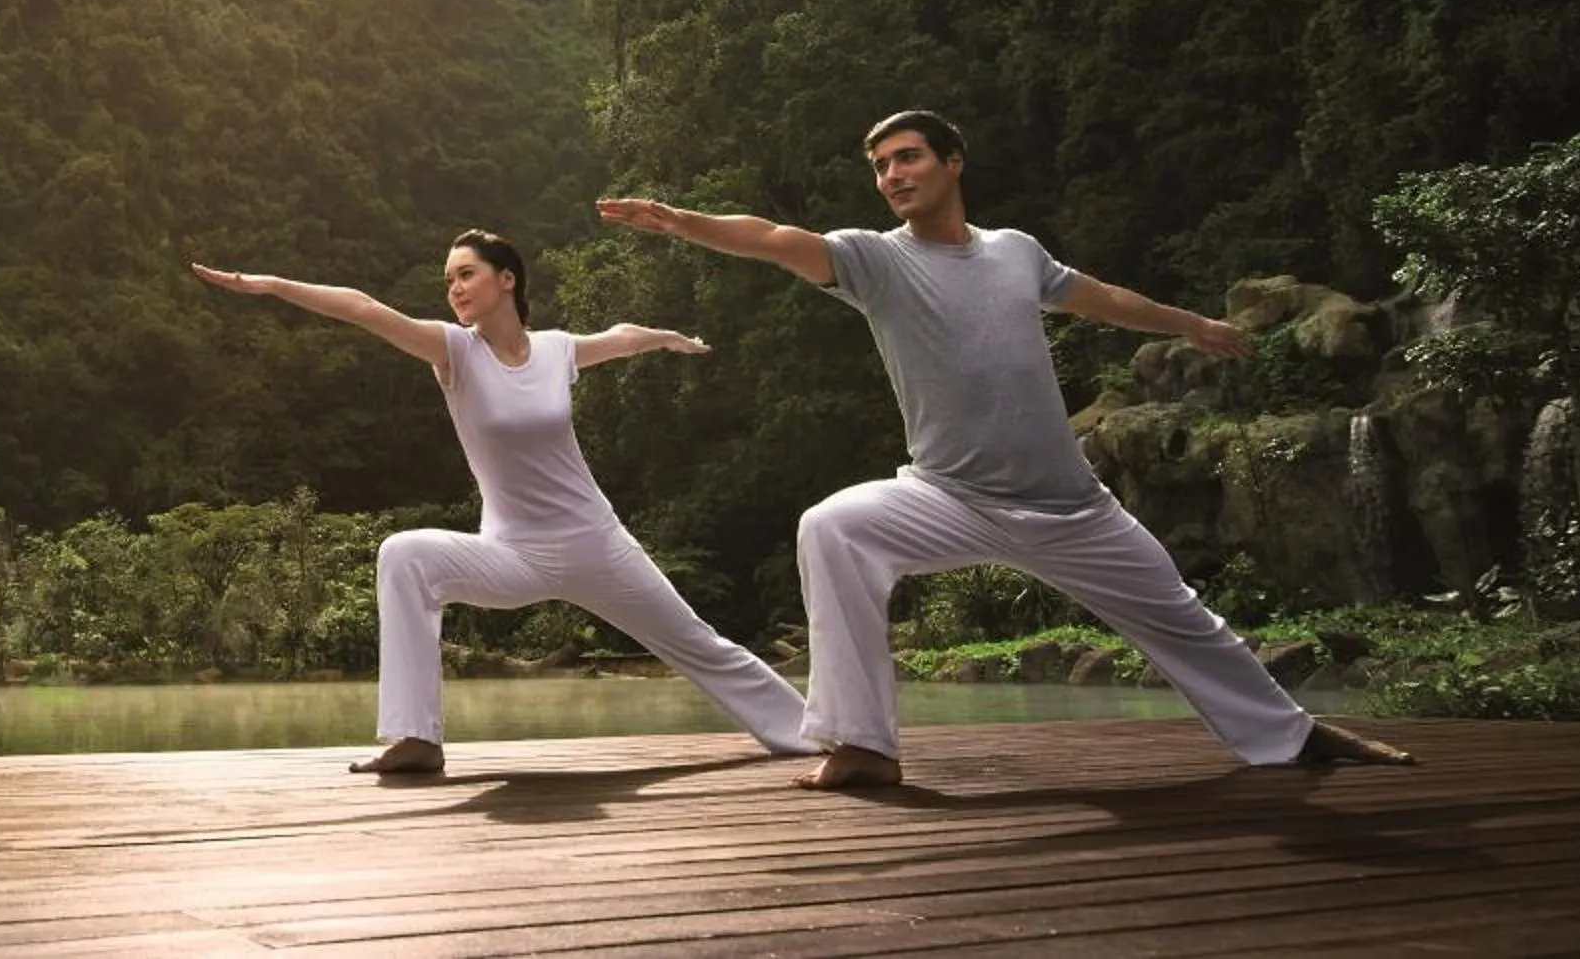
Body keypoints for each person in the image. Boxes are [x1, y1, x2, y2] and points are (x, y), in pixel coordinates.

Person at [600, 109, 1417, 789]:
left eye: (908, 157)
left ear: (953, 162)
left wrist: (1192, 324)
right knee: (832, 526)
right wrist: (680, 222)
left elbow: (1099, 296)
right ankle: (862, 746)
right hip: (947, 495)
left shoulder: (1016, 252)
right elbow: (775, 238)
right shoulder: (875, 261)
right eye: (881, 165)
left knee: (1185, 622)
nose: (893, 174)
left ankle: (1294, 736)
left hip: (1069, 506)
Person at [190, 229, 812, 774]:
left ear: (505, 279)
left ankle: (816, 732)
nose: (455, 288)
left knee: (697, 643)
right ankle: (415, 737)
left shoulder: (556, 351)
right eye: (448, 279)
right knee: (404, 555)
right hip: (513, 552)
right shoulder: (453, 353)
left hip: (596, 542)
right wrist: (271, 284)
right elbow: (365, 308)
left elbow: (618, 337)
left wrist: (664, 337)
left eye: (467, 274)